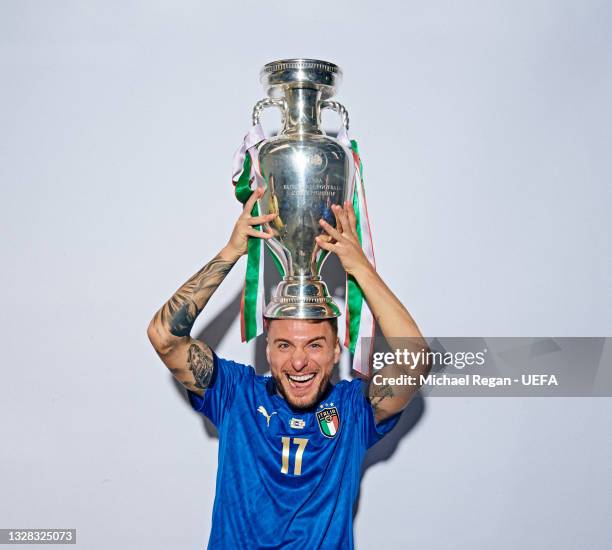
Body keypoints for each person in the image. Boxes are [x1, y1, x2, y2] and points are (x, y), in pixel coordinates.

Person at [147, 187, 430, 549]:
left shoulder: (353, 410)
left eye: (314, 345)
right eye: (284, 345)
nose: (298, 361)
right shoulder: (236, 395)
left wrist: (359, 267)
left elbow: (416, 358)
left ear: (336, 351)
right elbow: (164, 336)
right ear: (268, 348)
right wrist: (233, 250)